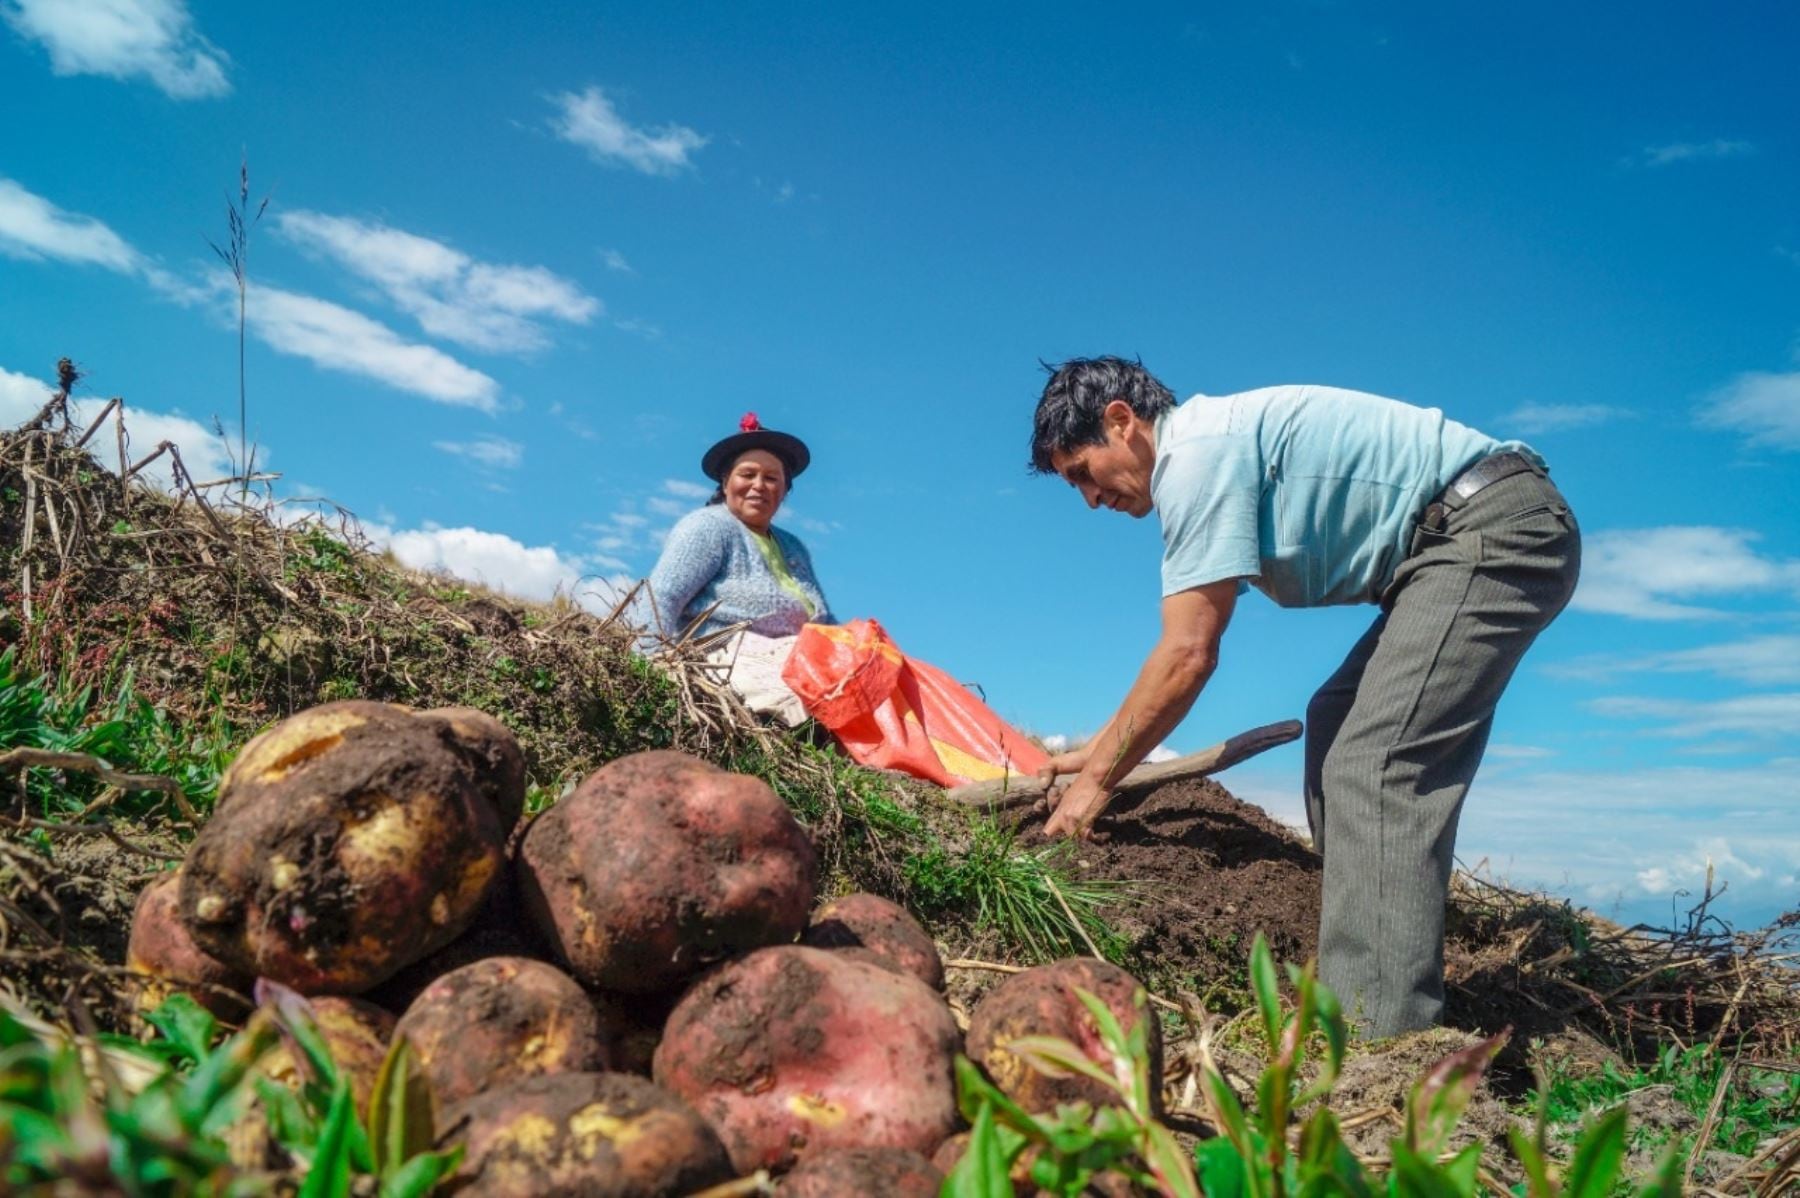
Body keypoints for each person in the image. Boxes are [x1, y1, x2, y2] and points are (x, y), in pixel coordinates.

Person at [1027, 356, 1580, 1036]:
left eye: (1083, 472)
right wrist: (1097, 753)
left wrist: (1095, 785)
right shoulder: (1206, 445)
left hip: (1490, 531)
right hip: (1449, 546)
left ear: (1121, 420)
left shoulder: (1194, 457)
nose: (1089, 500)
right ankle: (1366, 953)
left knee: (1376, 765)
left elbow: (1187, 653)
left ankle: (1384, 1039)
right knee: (1337, 716)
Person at [634, 413, 835, 724]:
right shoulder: (709, 527)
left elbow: (825, 620)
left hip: (802, 657)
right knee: (811, 697)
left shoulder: (793, 546)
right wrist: (646, 669)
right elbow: (661, 596)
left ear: (784, 490)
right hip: (729, 656)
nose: (759, 485)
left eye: (771, 478)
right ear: (726, 482)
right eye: (748, 474)